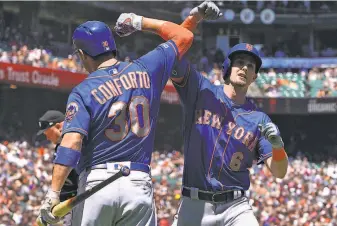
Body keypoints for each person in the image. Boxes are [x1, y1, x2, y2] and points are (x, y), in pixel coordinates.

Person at [36, 8, 201, 225]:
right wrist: (138, 21)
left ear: (83, 54)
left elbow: (72, 142)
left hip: (97, 183)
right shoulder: (147, 68)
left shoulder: (83, 90)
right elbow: (184, 36)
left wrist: (53, 193)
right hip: (137, 184)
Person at [168, 6, 289, 226]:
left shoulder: (259, 120)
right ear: (228, 67)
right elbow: (171, 54)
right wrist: (194, 18)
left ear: (254, 77)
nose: (244, 68)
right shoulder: (201, 90)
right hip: (193, 204)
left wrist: (278, 147)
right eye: (240, 62)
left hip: (235, 207)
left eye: (250, 66)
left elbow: (279, 172)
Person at [36, 110, 78, 226]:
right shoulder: (61, 146)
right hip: (67, 205)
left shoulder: (73, 143)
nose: (47, 138)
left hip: (76, 202)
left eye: (47, 133)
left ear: (58, 126)